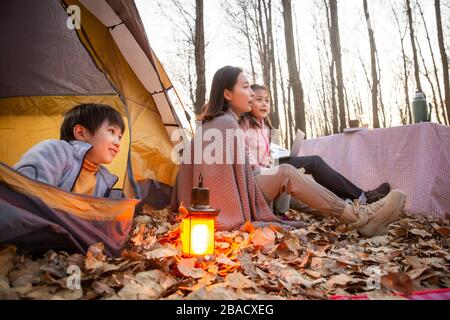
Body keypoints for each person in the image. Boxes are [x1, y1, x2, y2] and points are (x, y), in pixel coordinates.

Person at [171, 66, 407, 237]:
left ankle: (360, 209)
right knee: (285, 173)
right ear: (227, 94)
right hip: (223, 204)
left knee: (293, 182)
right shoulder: (226, 124)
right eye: (246, 87)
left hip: (237, 190)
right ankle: (361, 217)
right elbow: (222, 183)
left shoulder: (217, 122)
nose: (252, 94)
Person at [239, 83, 390, 205]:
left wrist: (274, 157)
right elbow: (244, 152)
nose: (264, 104)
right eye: (259, 100)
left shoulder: (267, 126)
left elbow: (267, 153)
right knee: (314, 162)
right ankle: (361, 197)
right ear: (250, 101)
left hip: (272, 164)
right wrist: (262, 167)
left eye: (267, 100)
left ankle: (355, 198)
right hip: (261, 171)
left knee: (315, 162)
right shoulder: (244, 123)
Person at [14, 103, 125, 198]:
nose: (117, 143)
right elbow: (25, 195)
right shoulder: (54, 151)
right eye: (111, 131)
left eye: (120, 137)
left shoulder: (104, 179)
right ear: (81, 133)